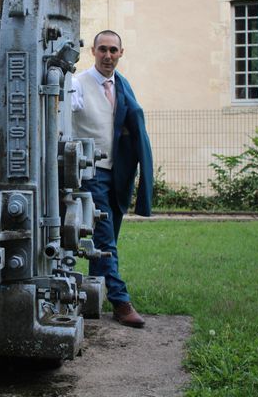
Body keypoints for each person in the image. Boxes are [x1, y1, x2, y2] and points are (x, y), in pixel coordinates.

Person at [70, 30, 153, 328]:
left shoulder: (122, 84)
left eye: (113, 50)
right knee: (105, 237)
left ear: (121, 53)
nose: (108, 55)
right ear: (93, 51)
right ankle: (120, 301)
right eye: (102, 49)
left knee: (107, 239)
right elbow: (68, 109)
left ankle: (92, 299)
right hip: (90, 173)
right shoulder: (78, 83)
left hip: (118, 172)